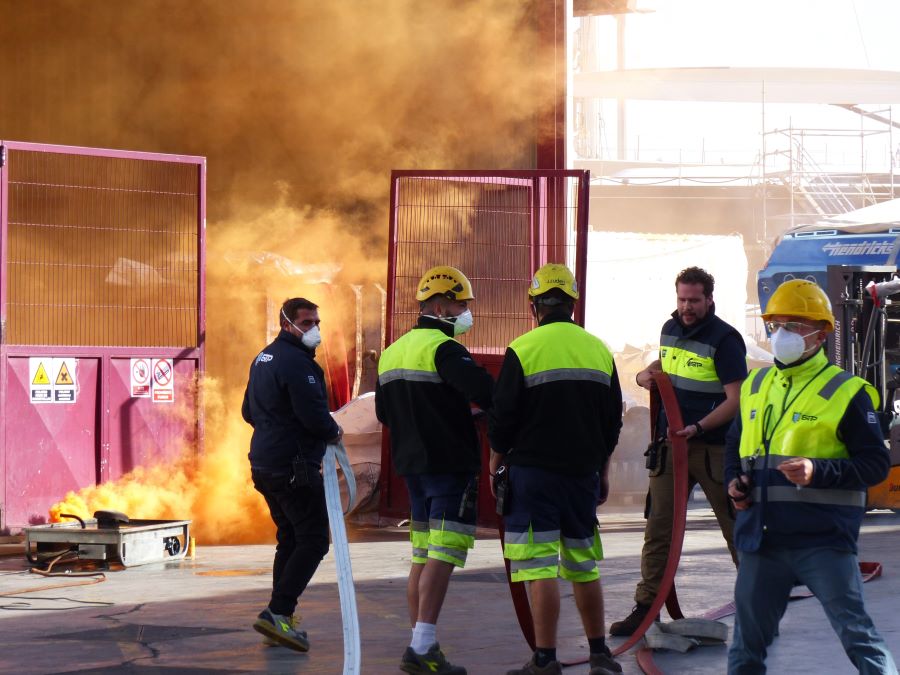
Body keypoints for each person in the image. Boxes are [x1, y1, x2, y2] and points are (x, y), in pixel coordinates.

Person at [725, 279, 897, 674]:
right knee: (746, 648)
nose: (782, 333)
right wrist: (735, 479)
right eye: (777, 324)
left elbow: (875, 465)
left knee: (858, 636)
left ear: (820, 334)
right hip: (761, 541)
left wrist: (817, 471)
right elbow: (736, 445)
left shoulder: (847, 391)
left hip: (822, 543)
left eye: (795, 325)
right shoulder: (756, 385)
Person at [489, 263, 623, 675]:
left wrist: (496, 459)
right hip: (582, 472)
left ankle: (545, 658)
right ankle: (600, 653)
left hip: (533, 474)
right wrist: (600, 467)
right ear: (572, 304)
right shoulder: (598, 350)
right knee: (583, 562)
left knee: (538, 565)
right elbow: (611, 419)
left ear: (534, 306)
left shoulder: (523, 349)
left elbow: (503, 417)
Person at [611, 266, 746, 636]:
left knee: (737, 528)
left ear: (709, 299)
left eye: (694, 300)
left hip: (714, 451)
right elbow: (662, 369)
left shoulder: (726, 340)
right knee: (659, 530)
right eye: (682, 299)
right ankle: (646, 610)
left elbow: (736, 400)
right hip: (672, 448)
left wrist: (699, 427)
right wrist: (643, 376)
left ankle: (758, 605)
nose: (687, 307)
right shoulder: (669, 330)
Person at [375, 265, 493, 675]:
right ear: (440, 305)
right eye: (461, 304)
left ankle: (422, 643)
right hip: (450, 466)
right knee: (444, 553)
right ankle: (422, 645)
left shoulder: (392, 352)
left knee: (422, 555)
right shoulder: (446, 349)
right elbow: (485, 391)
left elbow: (384, 413)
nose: (465, 313)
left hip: (413, 468)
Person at [242, 297, 343, 652]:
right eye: (307, 322)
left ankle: (278, 617)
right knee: (314, 540)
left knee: (290, 537)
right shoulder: (298, 364)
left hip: (264, 462)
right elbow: (314, 416)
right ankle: (279, 611)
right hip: (292, 466)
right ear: (287, 324)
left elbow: (247, 411)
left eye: (317, 321)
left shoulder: (263, 358)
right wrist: (334, 432)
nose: (314, 329)